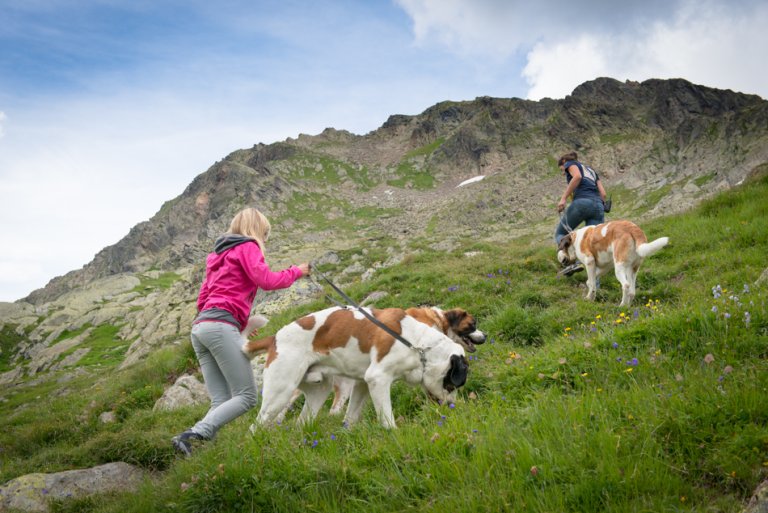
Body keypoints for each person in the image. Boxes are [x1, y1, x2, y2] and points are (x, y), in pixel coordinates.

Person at [172, 207, 310, 457]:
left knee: (221, 400)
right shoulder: (248, 247)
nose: (265, 240)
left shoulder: (216, 255)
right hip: (219, 327)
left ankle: (196, 448)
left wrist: (237, 324)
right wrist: (297, 271)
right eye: (265, 234)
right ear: (257, 230)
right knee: (247, 396)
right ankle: (192, 435)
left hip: (201, 329)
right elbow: (266, 280)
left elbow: (203, 298)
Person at [554, 151, 608, 275]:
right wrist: (599, 205)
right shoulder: (592, 171)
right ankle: (594, 285)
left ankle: (571, 258)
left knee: (561, 233)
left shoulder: (570, 164)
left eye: (562, 170)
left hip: (582, 203)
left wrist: (563, 198)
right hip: (599, 206)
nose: (563, 172)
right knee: (593, 246)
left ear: (563, 162)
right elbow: (603, 194)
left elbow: (577, 177)